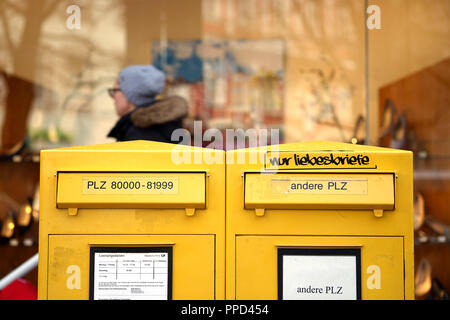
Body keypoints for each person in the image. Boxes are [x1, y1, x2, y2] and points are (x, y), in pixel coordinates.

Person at [107, 65, 188, 143]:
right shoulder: (158, 127)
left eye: (115, 90)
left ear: (131, 94)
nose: (113, 96)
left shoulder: (140, 136)